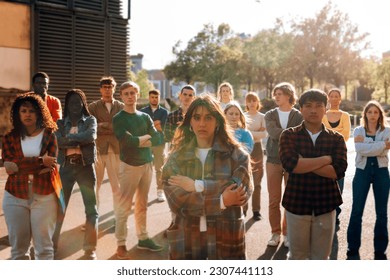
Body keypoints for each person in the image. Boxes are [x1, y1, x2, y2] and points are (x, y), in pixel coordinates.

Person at [162, 95, 253, 260]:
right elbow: (178, 202)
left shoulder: (238, 156)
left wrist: (198, 185)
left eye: (208, 117)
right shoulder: (176, 158)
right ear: (190, 121)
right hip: (187, 240)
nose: (202, 123)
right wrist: (222, 201)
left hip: (226, 238)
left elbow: (240, 193)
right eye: (196, 118)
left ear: (218, 121)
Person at [279, 89, 347, 260]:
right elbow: (290, 164)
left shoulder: (336, 139)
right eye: (308, 106)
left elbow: (337, 171)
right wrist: (326, 159)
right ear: (300, 109)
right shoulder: (289, 135)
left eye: (318, 106)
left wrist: (304, 162)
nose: (313, 110)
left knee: (321, 257)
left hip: (326, 204)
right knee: (298, 256)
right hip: (297, 203)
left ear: (325, 108)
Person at [2, 93, 62, 260]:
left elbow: (49, 167)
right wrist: (40, 161)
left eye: (32, 111)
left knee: (44, 249)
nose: (28, 114)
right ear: (18, 113)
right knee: (18, 251)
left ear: (40, 113)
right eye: (24, 110)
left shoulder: (49, 135)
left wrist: (21, 164)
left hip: (44, 195)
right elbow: (10, 167)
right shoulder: (9, 138)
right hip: (15, 196)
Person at [113, 81, 164, 259]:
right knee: (124, 206)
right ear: (121, 96)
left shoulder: (145, 117)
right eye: (126, 93)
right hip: (129, 166)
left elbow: (158, 139)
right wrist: (145, 137)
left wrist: (140, 140)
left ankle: (143, 237)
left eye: (132, 93)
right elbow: (128, 142)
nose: (129, 96)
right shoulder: (119, 118)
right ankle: (121, 243)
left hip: (147, 165)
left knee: (142, 205)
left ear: (137, 94)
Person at [53, 89, 98, 260]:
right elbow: (57, 140)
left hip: (85, 168)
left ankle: (90, 249)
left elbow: (91, 136)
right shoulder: (59, 122)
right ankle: (52, 246)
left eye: (78, 102)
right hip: (65, 168)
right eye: (71, 102)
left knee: (91, 210)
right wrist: (79, 140)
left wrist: (69, 140)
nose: (75, 106)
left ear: (83, 104)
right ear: (67, 104)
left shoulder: (90, 120)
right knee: (59, 208)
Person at [346, 100, 390, 260]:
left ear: (380, 115)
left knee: (382, 213)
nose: (372, 115)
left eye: (375, 112)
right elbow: (359, 149)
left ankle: (380, 251)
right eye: (369, 112)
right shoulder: (358, 130)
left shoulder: (387, 130)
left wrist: (367, 143)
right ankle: (352, 249)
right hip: (362, 171)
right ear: (365, 114)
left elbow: (383, 147)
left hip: (381, 172)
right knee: (356, 211)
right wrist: (381, 145)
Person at [264, 82, 303, 248]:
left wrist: (291, 134)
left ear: (288, 95)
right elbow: (273, 133)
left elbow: (300, 136)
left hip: (292, 161)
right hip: (273, 161)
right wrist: (291, 133)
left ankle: (287, 233)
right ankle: (275, 233)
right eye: (275, 94)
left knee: (290, 200)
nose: (276, 97)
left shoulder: (298, 115)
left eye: (280, 94)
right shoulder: (270, 114)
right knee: (274, 200)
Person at [88, 76, 124, 214]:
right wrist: (110, 127)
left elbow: (122, 127)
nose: (107, 89)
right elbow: (90, 127)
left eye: (110, 87)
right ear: (100, 89)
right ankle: (92, 216)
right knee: (95, 185)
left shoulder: (121, 106)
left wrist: (105, 125)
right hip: (97, 150)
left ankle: (118, 216)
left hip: (115, 150)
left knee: (116, 186)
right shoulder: (93, 107)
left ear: (114, 89)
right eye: (105, 87)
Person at [322, 88, 351, 225]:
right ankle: (326, 210)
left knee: (339, 182)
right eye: (331, 96)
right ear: (328, 98)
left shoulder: (345, 116)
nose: (334, 98)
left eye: (336, 96)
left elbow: (346, 135)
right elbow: (321, 133)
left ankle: (336, 211)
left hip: (339, 154)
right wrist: (337, 132)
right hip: (324, 153)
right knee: (325, 181)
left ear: (340, 99)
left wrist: (331, 133)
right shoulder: (323, 114)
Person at [140, 89, 169, 202]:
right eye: (152, 97)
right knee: (144, 168)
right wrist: (156, 123)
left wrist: (152, 125)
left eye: (156, 97)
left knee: (159, 168)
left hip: (159, 142)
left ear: (159, 97)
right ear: (149, 98)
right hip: (146, 143)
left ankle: (160, 191)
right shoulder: (142, 111)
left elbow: (163, 129)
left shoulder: (164, 112)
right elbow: (142, 128)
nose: (154, 99)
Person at [244, 92, 267, 221]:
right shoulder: (243, 116)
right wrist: (256, 132)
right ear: (246, 103)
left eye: (254, 101)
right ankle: (243, 209)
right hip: (244, 149)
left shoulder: (262, 117)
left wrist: (250, 133)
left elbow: (264, 134)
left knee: (257, 182)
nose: (252, 103)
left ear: (258, 102)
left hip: (257, 149)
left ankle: (256, 210)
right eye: (249, 101)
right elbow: (241, 133)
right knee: (244, 180)